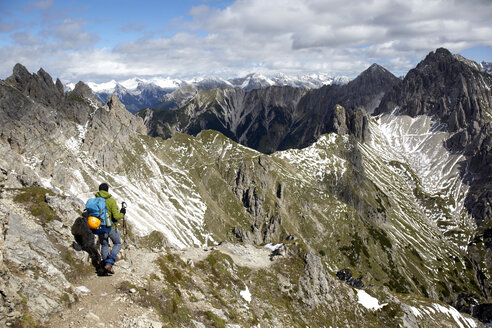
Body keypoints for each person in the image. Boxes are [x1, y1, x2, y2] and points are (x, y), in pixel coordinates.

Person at [94, 182, 126, 274]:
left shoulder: (96, 200)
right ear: (107, 190)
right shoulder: (111, 201)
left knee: (104, 245)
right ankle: (109, 262)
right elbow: (116, 216)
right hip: (111, 227)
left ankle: (104, 265)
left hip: (100, 227)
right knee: (117, 243)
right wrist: (122, 212)